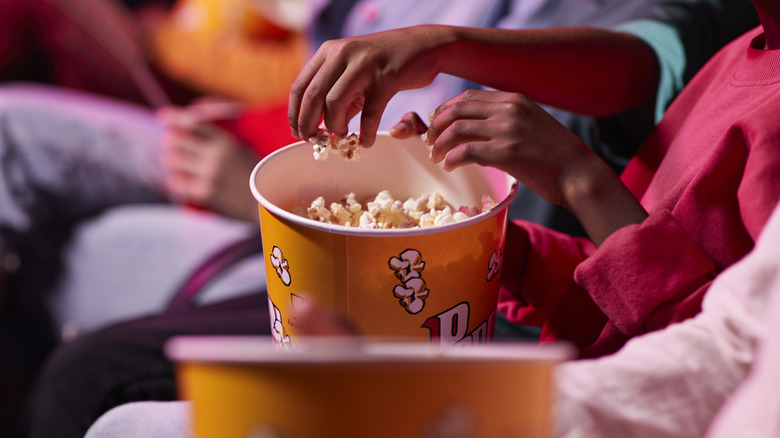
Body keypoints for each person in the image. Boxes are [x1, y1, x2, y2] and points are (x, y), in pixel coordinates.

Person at [11, 0, 759, 436]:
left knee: (103, 393)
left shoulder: (736, 84)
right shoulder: (745, 53)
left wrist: (572, 181)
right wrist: (500, 250)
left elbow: (703, 351)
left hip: (500, 348)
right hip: (411, 250)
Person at [288, 2, 780, 358]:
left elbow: (732, 361)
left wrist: (579, 177)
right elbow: (625, 272)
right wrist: (480, 241)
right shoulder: (742, 52)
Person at [78, 198, 780, 438]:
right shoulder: (728, 62)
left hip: (542, 345)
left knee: (105, 385)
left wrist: (572, 180)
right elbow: (727, 346)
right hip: (568, 374)